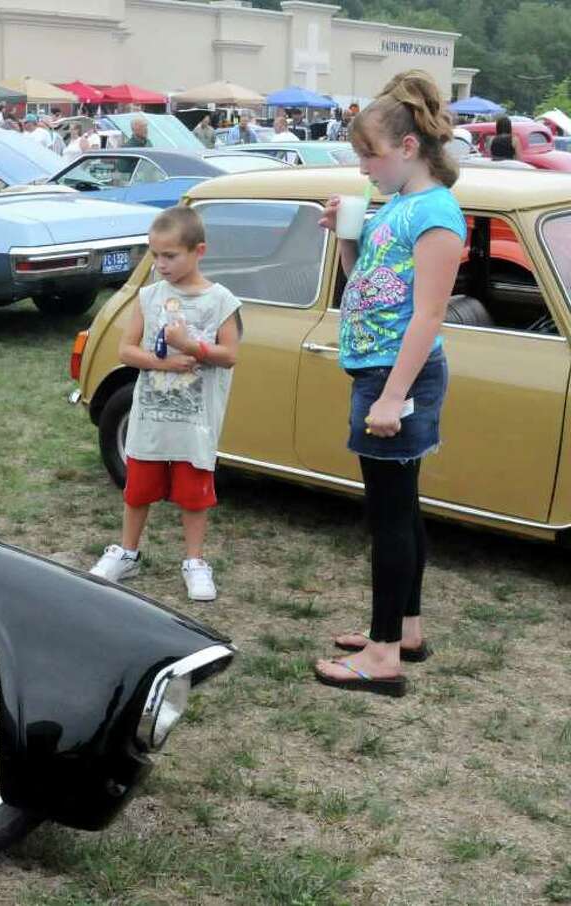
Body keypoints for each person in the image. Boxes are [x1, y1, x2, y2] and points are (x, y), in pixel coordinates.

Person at [313, 69, 464, 697]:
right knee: (402, 509)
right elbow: (368, 289)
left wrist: (393, 397)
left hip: (397, 377)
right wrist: (346, 240)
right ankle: (405, 630)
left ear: (407, 148)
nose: (363, 169)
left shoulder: (435, 213)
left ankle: (381, 657)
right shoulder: (397, 206)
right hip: (380, 370)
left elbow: (428, 314)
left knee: (389, 518)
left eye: (369, 155)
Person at [89, 206, 242, 601]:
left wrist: (192, 347)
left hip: (195, 423)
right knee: (137, 490)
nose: (160, 265)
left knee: (193, 495)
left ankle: (194, 562)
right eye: (154, 255)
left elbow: (230, 355)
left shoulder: (220, 300)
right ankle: (127, 552)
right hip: (150, 420)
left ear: (198, 251)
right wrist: (166, 362)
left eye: (170, 256)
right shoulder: (149, 296)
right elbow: (126, 350)